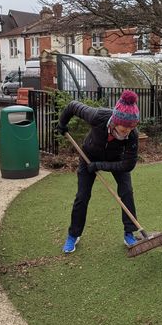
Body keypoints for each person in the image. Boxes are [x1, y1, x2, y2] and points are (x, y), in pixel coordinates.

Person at [56, 90, 141, 253]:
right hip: (89, 155)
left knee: (127, 191)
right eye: (124, 130)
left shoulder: (132, 134)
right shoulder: (98, 116)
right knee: (82, 196)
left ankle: (129, 233)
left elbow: (128, 165)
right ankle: (73, 235)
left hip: (116, 159)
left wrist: (100, 165)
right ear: (115, 122)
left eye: (131, 129)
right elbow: (73, 106)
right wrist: (62, 123)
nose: (128, 133)